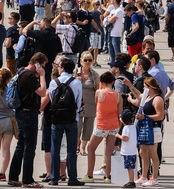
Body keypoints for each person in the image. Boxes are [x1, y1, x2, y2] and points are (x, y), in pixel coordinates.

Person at [7, 52, 48, 188]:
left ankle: (13, 177)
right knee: (29, 147)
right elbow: (42, 92)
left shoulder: (21, 71)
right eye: (42, 66)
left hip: (21, 112)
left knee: (21, 146)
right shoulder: (29, 75)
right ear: (37, 64)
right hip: (28, 114)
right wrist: (42, 76)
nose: (43, 69)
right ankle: (27, 179)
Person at [48, 57, 85, 186]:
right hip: (71, 118)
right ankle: (72, 177)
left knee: (55, 148)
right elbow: (79, 101)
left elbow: (51, 99)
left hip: (57, 118)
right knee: (71, 149)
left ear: (62, 68)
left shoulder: (54, 82)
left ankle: (54, 177)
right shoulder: (77, 82)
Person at [81, 71, 122, 184]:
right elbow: (120, 113)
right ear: (113, 82)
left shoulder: (99, 92)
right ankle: (107, 176)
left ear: (102, 82)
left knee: (90, 148)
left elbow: (97, 103)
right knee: (109, 152)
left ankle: (89, 175)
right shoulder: (118, 95)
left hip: (101, 125)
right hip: (114, 125)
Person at [128, 77, 165, 187]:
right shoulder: (147, 97)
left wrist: (144, 117)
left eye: (145, 86)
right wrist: (130, 85)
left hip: (153, 128)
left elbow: (160, 116)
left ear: (150, 87)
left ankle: (154, 178)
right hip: (145, 129)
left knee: (152, 153)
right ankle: (144, 176)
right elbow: (138, 94)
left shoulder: (157, 99)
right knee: (142, 152)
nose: (143, 88)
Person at [76, 51, 99, 156]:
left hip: (90, 104)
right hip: (78, 104)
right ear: (81, 61)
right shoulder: (75, 72)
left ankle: (83, 148)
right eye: (85, 60)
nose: (88, 62)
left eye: (90, 60)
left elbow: (98, 90)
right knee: (77, 126)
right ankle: (76, 145)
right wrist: (77, 80)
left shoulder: (94, 75)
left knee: (88, 127)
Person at [115, 109, 138, 189]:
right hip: (133, 151)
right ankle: (131, 180)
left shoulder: (126, 128)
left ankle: (131, 182)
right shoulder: (133, 127)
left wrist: (118, 136)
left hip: (128, 153)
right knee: (131, 167)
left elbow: (125, 138)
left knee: (129, 168)